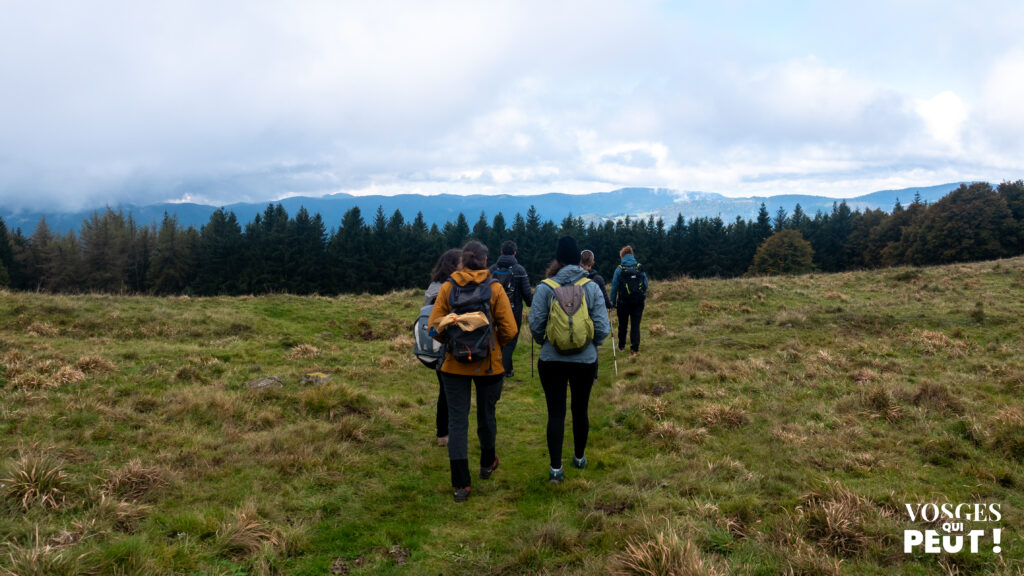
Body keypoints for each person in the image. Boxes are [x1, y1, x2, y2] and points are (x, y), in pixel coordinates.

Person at [428, 241, 518, 502]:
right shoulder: (495, 289)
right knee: (486, 414)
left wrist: (452, 343)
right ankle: (487, 463)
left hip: (453, 367)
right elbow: (510, 330)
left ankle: (460, 484)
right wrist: (492, 345)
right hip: (489, 366)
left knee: (457, 421)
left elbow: (434, 328)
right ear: (485, 259)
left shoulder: (447, 288)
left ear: (462, 262)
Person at [528, 236, 609, 483]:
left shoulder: (545, 287)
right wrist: (590, 346)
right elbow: (603, 327)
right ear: (578, 259)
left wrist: (548, 343)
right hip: (585, 362)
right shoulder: (592, 286)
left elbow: (535, 325)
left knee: (555, 413)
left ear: (559, 259)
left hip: (551, 360)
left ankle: (555, 469)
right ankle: (580, 457)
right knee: (580, 409)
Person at [425, 248, 462, 447]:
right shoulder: (449, 289)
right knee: (451, 391)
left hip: (434, 343)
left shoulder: (433, 287)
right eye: (461, 262)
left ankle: (442, 434)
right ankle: (450, 432)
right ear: (453, 266)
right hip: (448, 343)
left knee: (444, 390)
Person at [489, 240, 533, 378]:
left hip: (492, 312)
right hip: (513, 312)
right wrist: (531, 302)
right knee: (510, 342)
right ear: (515, 252)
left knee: (497, 340)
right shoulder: (519, 270)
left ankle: (507, 369)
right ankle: (502, 371)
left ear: (501, 252)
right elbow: (527, 295)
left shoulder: (491, 270)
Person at [609, 245, 648, 357]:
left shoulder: (619, 269)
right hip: (638, 302)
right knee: (635, 325)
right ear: (632, 255)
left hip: (623, 302)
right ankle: (634, 350)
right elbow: (646, 284)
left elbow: (614, 287)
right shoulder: (639, 267)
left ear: (622, 256)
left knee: (623, 325)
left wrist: (612, 302)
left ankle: (621, 346)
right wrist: (640, 294)